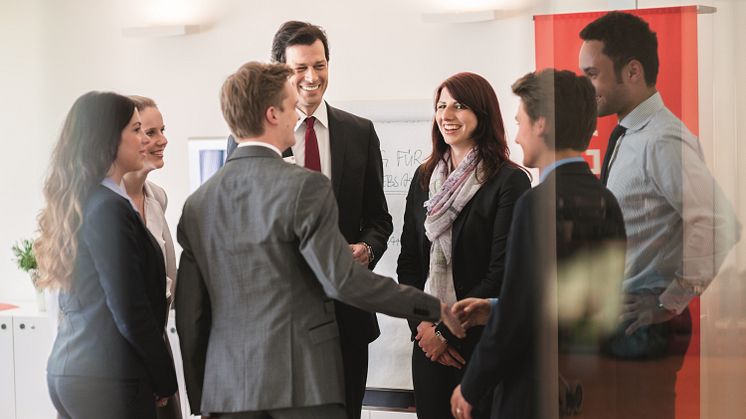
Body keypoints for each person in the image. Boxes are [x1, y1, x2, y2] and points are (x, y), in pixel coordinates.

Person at [175, 61, 464, 419]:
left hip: (227, 391)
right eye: (289, 103)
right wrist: (434, 307)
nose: (297, 109)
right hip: (302, 386)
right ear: (272, 114)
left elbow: (191, 311)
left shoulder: (197, 204)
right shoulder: (305, 187)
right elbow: (344, 281)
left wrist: (204, 397)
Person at [226, 22, 392, 419]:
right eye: (300, 68)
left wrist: (367, 248)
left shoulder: (360, 132)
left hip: (348, 318)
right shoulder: (250, 136)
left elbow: (379, 218)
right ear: (279, 71)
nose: (312, 78)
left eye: (320, 65)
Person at [579, 11, 741, 418]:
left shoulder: (662, 138)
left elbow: (720, 222)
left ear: (632, 71)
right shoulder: (630, 134)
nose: (586, 86)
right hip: (620, 323)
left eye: (593, 74)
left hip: (642, 326)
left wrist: (669, 302)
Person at [449, 69, 627, 419]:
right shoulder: (607, 201)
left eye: (521, 123)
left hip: (535, 393)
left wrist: (471, 386)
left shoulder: (536, 203)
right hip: (588, 391)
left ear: (541, 124)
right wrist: (495, 307)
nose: (517, 137)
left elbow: (520, 314)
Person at [35, 91, 178, 419]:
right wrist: (164, 377)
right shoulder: (109, 208)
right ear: (109, 140)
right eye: (137, 130)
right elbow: (130, 307)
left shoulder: (85, 201)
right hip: (109, 377)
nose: (145, 140)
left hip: (77, 371)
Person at [396, 72, 531, 419]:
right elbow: (409, 262)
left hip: (482, 347)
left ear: (482, 114)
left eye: (459, 105)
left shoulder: (509, 181)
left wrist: (446, 332)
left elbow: (502, 272)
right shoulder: (425, 178)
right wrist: (424, 330)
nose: (447, 115)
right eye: (441, 106)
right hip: (427, 348)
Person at [123, 95, 182, 419]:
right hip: (118, 362)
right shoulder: (100, 205)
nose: (163, 140)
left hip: (156, 347)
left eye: (163, 130)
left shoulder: (157, 197)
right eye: (150, 132)